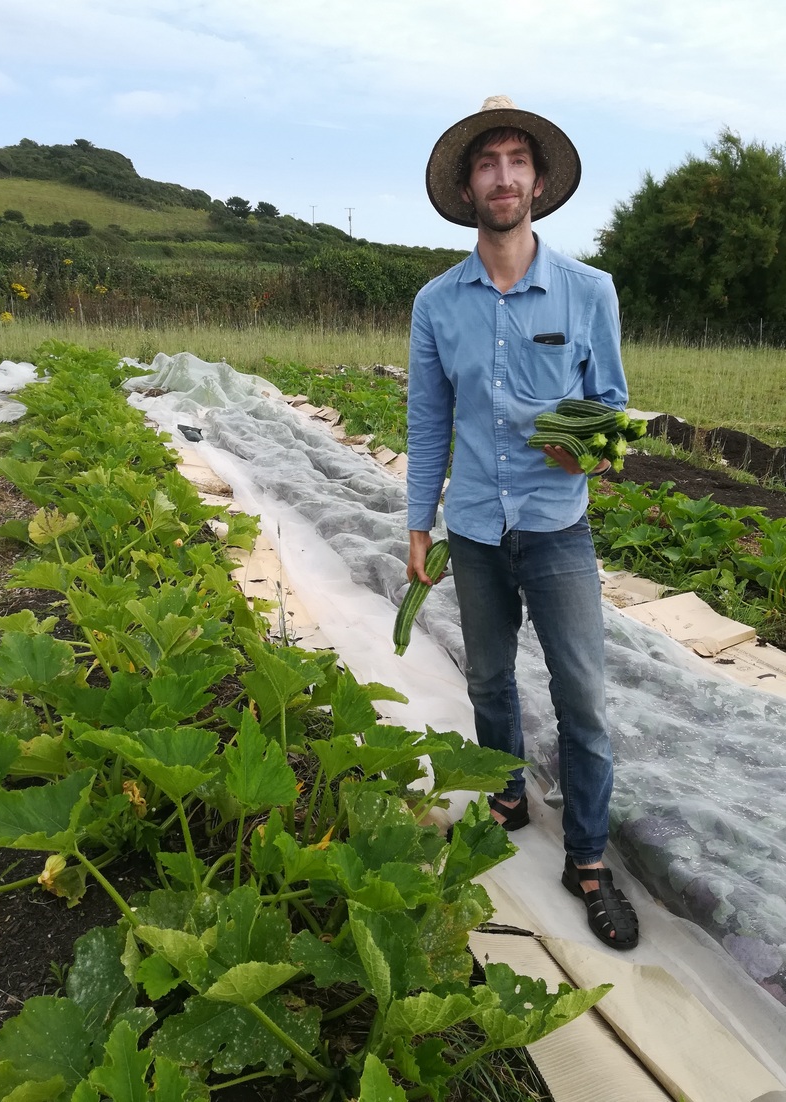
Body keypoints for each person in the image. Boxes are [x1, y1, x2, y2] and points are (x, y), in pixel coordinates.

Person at [406, 95, 639, 951]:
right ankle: (506, 793)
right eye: (486, 163)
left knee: (581, 697)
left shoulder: (589, 292)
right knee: (489, 680)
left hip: (557, 527)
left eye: (516, 161)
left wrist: (593, 450)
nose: (502, 177)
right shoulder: (437, 303)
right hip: (471, 526)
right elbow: (428, 421)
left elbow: (608, 406)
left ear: (538, 180)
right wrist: (417, 523)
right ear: (468, 187)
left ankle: (586, 859)